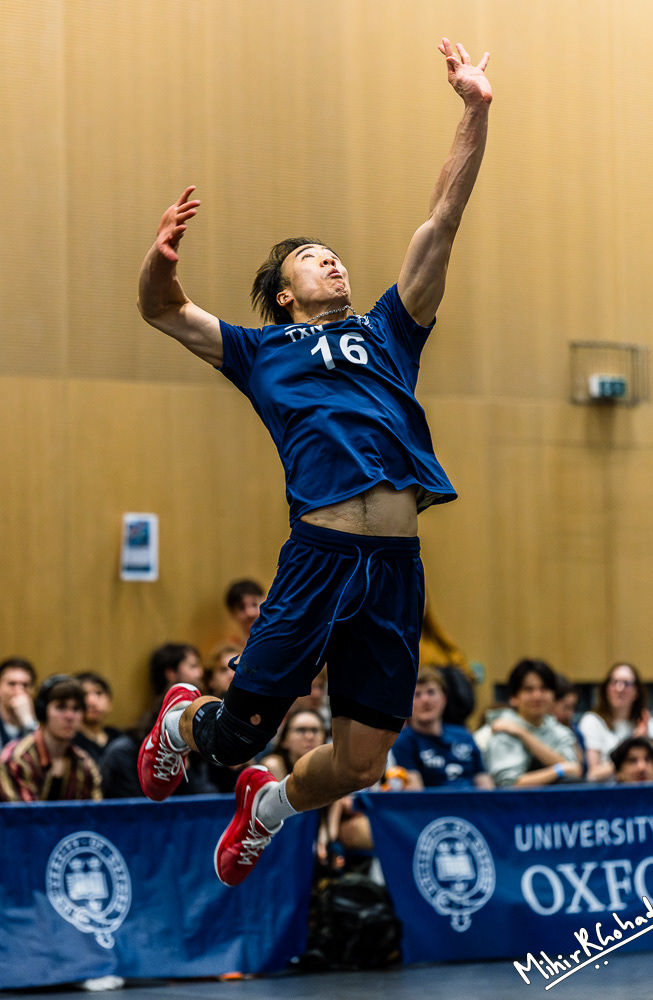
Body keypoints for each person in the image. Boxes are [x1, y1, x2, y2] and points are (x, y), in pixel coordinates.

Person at [136, 36, 492, 887]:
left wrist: (475, 110)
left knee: (362, 762)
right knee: (239, 735)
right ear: (287, 293)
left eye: (333, 251)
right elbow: (164, 312)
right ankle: (186, 722)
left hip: (396, 565)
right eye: (310, 257)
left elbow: (441, 217)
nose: (330, 258)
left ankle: (266, 806)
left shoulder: (386, 332)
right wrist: (158, 261)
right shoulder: (261, 350)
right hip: (322, 556)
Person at [0, 676, 102, 802]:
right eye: (61, 707)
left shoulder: (84, 763)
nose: (69, 716)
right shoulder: (17, 759)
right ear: (43, 711)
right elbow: (25, 818)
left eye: (76, 709)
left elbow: (95, 815)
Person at [484, 659, 582, 787]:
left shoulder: (559, 731)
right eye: (528, 690)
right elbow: (509, 784)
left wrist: (523, 734)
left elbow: (573, 770)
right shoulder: (503, 729)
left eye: (544, 689)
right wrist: (557, 771)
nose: (537, 696)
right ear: (513, 698)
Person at [387, 669, 492, 788]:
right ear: (408, 703)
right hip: (432, 805)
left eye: (431, 692)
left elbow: (486, 787)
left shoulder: (464, 736)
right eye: (417, 694)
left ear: (444, 698)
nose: (425, 700)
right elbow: (415, 796)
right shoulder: (403, 741)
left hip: (475, 804)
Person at [578, 662, 653, 782]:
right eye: (614, 682)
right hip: (608, 793)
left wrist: (648, 744)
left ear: (637, 692)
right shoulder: (592, 721)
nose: (620, 689)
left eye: (627, 684)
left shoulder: (647, 722)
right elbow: (592, 775)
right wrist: (633, 742)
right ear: (606, 689)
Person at [72, 672, 123, 766]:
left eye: (99, 693)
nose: (92, 701)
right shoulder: (70, 742)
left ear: (109, 702)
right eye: (84, 694)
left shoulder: (119, 738)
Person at [0, 657, 38, 750]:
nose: (19, 691)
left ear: (33, 690)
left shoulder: (39, 723)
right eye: (12, 684)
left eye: (25, 685)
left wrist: (28, 721)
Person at [224, 580, 266, 648]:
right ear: (232, 613)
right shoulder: (230, 650)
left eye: (254, 605)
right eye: (242, 608)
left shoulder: (282, 639)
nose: (250, 613)